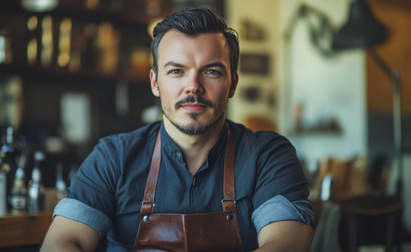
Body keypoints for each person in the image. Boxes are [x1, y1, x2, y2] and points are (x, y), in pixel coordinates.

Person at [41, 7, 314, 252]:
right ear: (155, 82)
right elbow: (63, 241)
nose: (193, 86)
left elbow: (286, 243)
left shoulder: (268, 155)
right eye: (176, 71)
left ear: (233, 84)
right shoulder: (113, 157)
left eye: (211, 71)